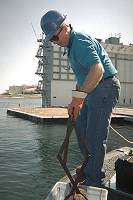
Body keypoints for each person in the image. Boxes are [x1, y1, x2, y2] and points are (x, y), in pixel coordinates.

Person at [40, 10, 121, 187]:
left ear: (65, 27)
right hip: (93, 90)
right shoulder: (71, 47)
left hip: (105, 88)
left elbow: (97, 71)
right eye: (52, 39)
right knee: (82, 131)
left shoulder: (80, 41)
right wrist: (75, 101)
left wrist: (79, 99)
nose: (55, 42)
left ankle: (94, 181)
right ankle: (88, 168)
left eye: (55, 37)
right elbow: (83, 79)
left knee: (95, 136)